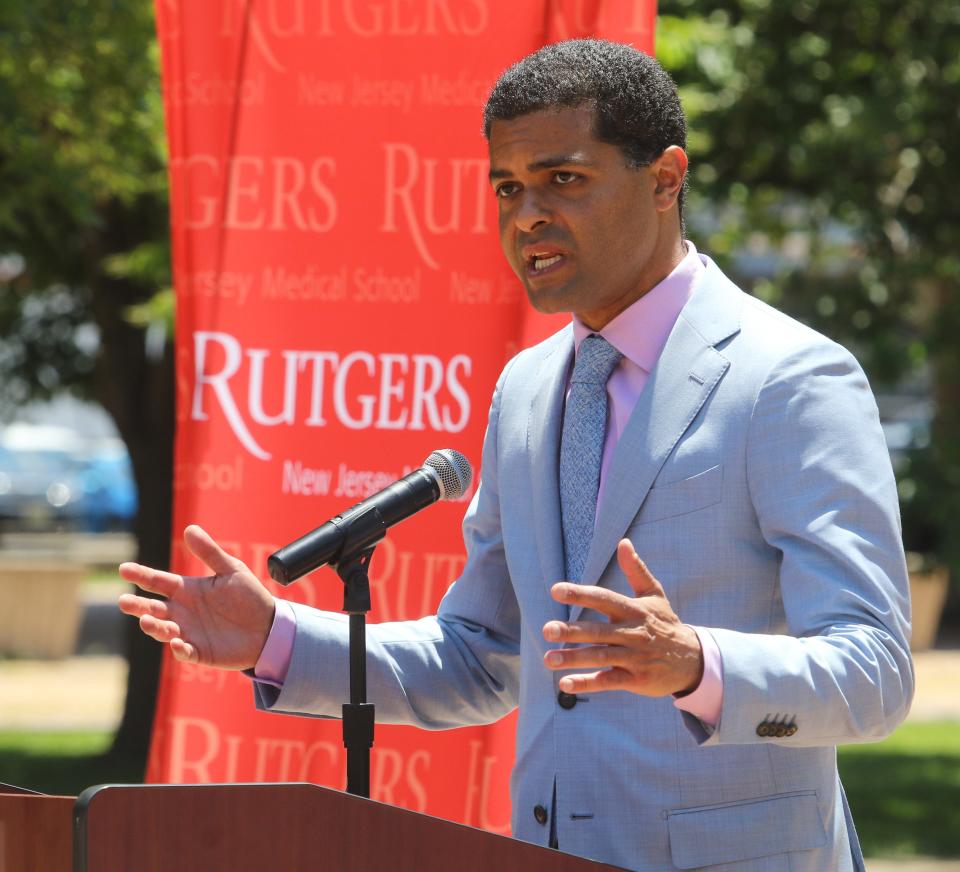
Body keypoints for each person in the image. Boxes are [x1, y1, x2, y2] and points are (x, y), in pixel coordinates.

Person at [119, 39, 913, 871]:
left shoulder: (788, 378)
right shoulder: (529, 390)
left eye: (562, 179)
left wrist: (695, 664)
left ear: (666, 179)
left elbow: (876, 673)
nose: (527, 213)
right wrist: (277, 639)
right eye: (508, 187)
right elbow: (483, 657)